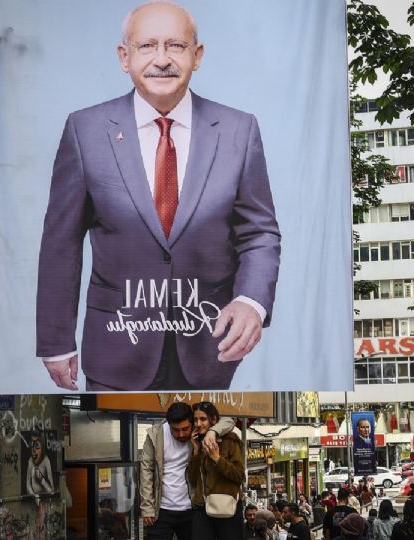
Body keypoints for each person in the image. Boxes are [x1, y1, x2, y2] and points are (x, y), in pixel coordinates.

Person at [37, 0, 282, 391]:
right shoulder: (84, 131)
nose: (162, 59)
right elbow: (60, 243)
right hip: (116, 348)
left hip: (209, 348)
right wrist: (54, 341)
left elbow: (260, 234)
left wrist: (251, 301)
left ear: (197, 56)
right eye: (147, 46)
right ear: (124, 56)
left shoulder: (239, 131)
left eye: (176, 46)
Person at [140, 402, 235, 539]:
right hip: (160, 510)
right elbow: (146, 471)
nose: (181, 434)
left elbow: (229, 421)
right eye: (175, 430)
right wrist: (147, 506)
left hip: (191, 508)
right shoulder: (155, 435)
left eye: (185, 429)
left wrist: (212, 432)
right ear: (168, 424)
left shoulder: (200, 434)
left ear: (193, 423)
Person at [188, 401, 246, 539]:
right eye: (195, 420)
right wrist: (196, 452)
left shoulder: (230, 440)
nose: (198, 424)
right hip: (202, 507)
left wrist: (217, 458)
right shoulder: (198, 442)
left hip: (227, 507)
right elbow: (192, 479)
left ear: (213, 420)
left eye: (203, 419)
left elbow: (239, 475)